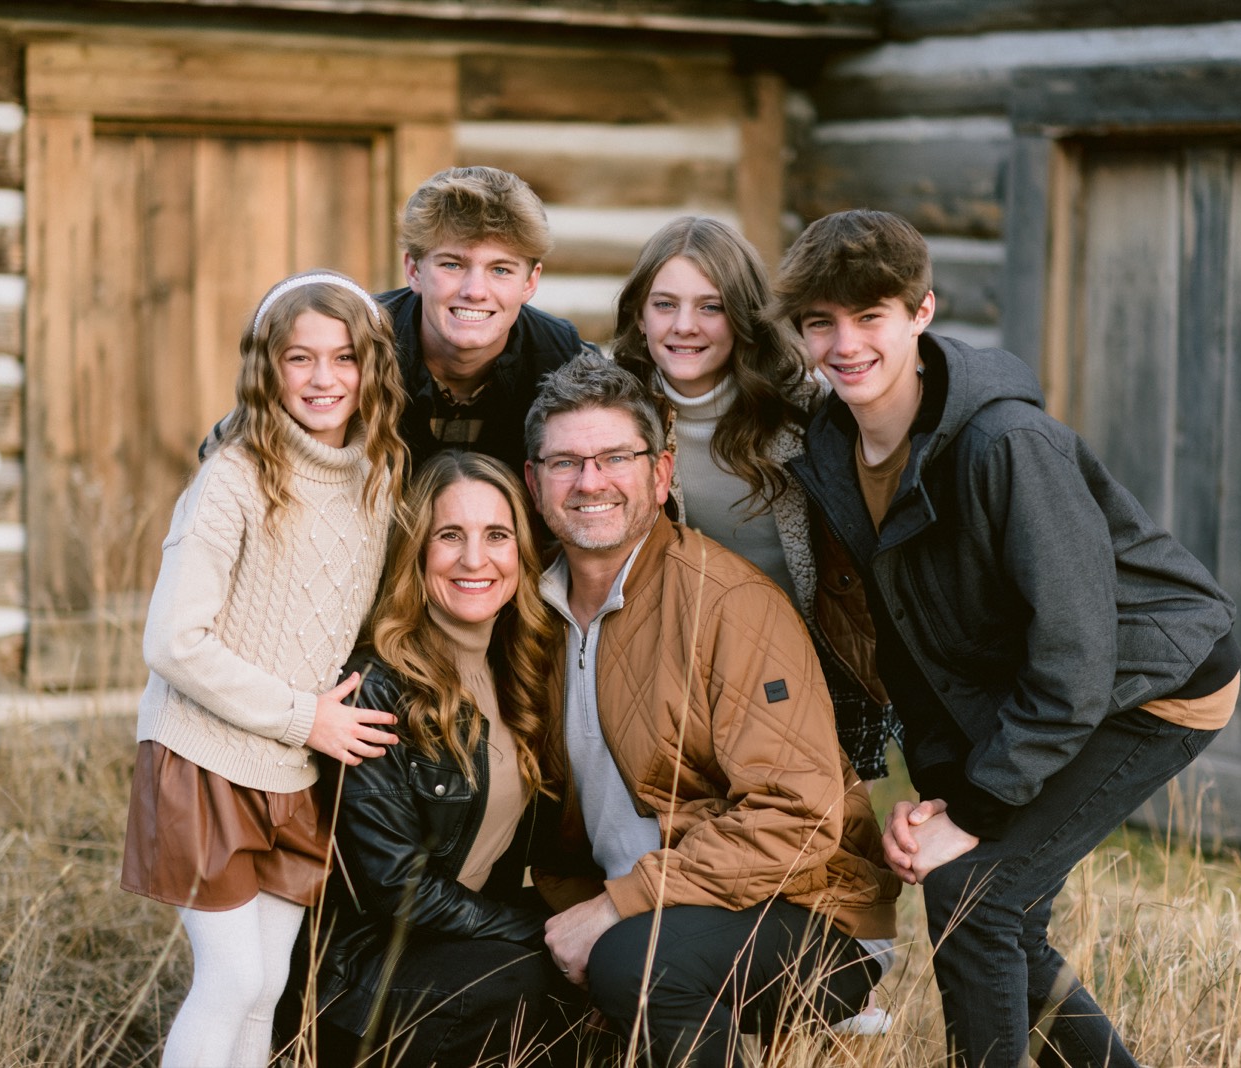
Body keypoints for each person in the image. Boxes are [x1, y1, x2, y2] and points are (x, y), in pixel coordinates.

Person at [772, 209, 1241, 1068]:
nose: (845, 344)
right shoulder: (833, 448)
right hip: (1034, 687)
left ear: (921, 312)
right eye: (820, 323)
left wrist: (978, 810)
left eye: (869, 316)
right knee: (1005, 911)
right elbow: (909, 637)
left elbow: (1075, 650)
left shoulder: (1003, 443)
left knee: (973, 899)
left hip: (1152, 682)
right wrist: (940, 792)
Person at [524, 354, 900, 1068]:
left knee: (633, 962)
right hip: (646, 904)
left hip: (811, 914)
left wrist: (616, 906)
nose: (590, 481)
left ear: (661, 476)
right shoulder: (531, 614)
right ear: (533, 482)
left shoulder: (728, 604)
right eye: (565, 461)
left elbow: (799, 818)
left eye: (614, 458)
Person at [121, 270, 407, 1067]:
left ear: (371, 368)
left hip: (292, 770)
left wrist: (312, 728)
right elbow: (173, 643)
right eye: (299, 358)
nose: (323, 379)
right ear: (266, 367)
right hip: (203, 756)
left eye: (344, 357)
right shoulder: (236, 479)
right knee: (231, 974)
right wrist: (304, 716)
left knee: (270, 980)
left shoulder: (378, 479)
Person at [288, 451, 579, 1067]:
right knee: (532, 974)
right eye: (450, 536)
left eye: (496, 535)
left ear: (522, 554)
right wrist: (538, 931)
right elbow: (396, 888)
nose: (475, 559)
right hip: (367, 972)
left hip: (461, 943)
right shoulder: (377, 687)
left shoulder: (523, 670)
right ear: (416, 554)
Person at [609, 216, 893, 782]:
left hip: (810, 659)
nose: (684, 326)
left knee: (827, 836)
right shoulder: (609, 415)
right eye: (665, 305)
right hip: (677, 668)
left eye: (710, 307)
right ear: (640, 317)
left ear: (742, 318)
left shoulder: (808, 413)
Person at [199, 166, 596, 476]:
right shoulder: (355, 336)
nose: (475, 290)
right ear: (414, 270)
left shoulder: (565, 357)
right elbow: (222, 446)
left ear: (530, 282)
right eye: (453, 264)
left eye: (501, 270)